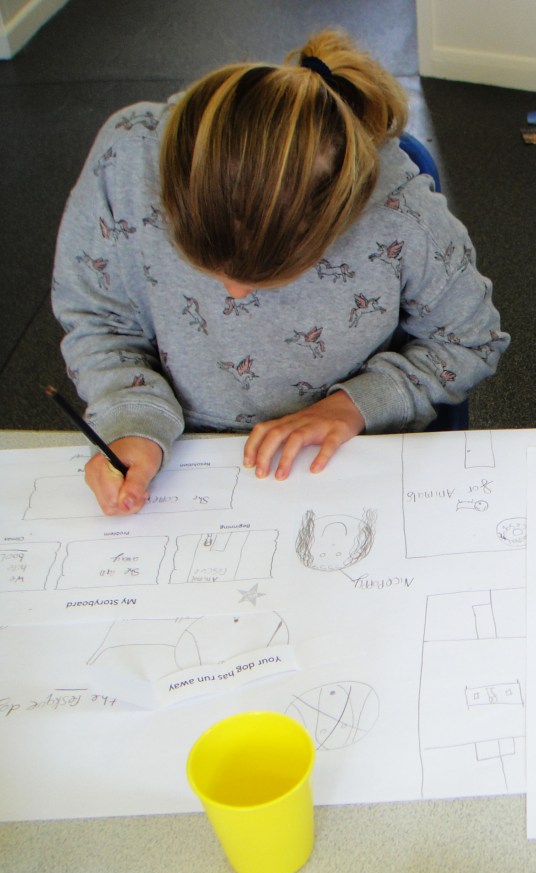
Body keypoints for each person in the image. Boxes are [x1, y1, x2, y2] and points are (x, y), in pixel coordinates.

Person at [52, 30, 508, 516]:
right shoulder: (126, 161)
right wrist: (133, 420)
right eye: (203, 267)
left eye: (270, 277)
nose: (233, 294)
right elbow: (99, 321)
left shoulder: (401, 213)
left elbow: (469, 341)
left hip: (345, 457)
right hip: (185, 460)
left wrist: (354, 405)